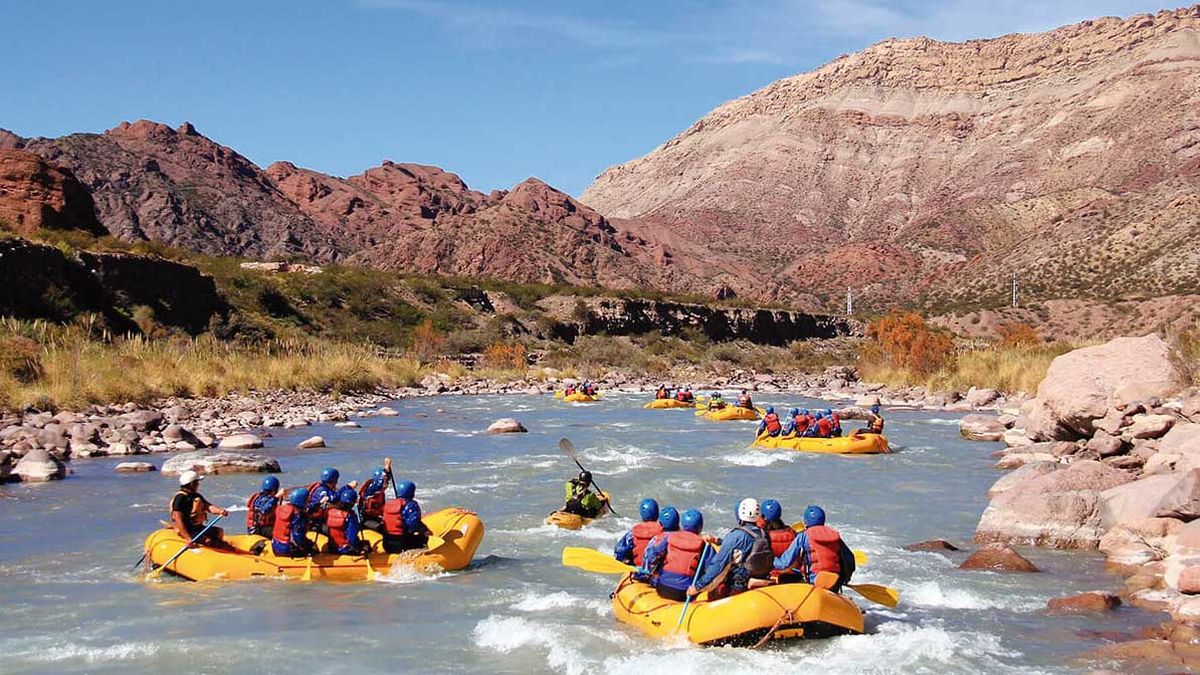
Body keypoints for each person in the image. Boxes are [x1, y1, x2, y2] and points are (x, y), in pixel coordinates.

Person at [689, 499, 773, 600]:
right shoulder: (764, 534)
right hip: (760, 575)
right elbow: (743, 547)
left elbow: (718, 564)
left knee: (715, 593)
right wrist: (717, 540)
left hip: (739, 584)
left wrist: (697, 587)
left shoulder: (735, 536)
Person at [773, 505, 856, 591]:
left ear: (805, 523)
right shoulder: (835, 536)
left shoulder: (803, 536)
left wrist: (770, 561)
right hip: (835, 581)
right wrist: (844, 579)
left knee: (786, 578)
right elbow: (850, 560)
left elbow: (784, 563)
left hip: (814, 580)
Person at [642, 509, 707, 601]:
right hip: (684, 593)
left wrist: (650, 573)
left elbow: (652, 554)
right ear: (700, 527)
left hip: (662, 587)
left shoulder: (669, 538)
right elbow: (714, 568)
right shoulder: (704, 545)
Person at [170, 470, 229, 548]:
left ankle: (221, 550)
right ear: (192, 484)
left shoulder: (196, 495)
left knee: (219, 531)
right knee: (207, 541)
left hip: (197, 528)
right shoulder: (180, 498)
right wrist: (188, 538)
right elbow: (178, 519)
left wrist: (220, 511)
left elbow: (208, 506)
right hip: (187, 530)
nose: (198, 485)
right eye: (197, 483)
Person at [381, 480, 431, 553]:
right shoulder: (411, 505)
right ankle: (423, 557)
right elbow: (413, 525)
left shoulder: (388, 504)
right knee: (423, 538)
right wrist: (425, 530)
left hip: (386, 544)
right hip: (402, 544)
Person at [614, 498, 663, 566]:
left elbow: (619, 550)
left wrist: (624, 560)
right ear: (657, 514)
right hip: (657, 569)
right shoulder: (664, 531)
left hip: (638, 567)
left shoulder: (632, 532)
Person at [272, 488, 317, 557]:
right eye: (307, 501)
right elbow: (297, 536)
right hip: (288, 548)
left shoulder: (282, 509)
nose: (308, 502)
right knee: (313, 549)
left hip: (275, 546)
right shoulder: (298, 516)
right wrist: (309, 547)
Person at [326, 486, 367, 555]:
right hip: (347, 549)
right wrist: (358, 549)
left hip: (333, 548)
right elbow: (352, 537)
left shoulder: (331, 512)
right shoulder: (349, 516)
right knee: (366, 544)